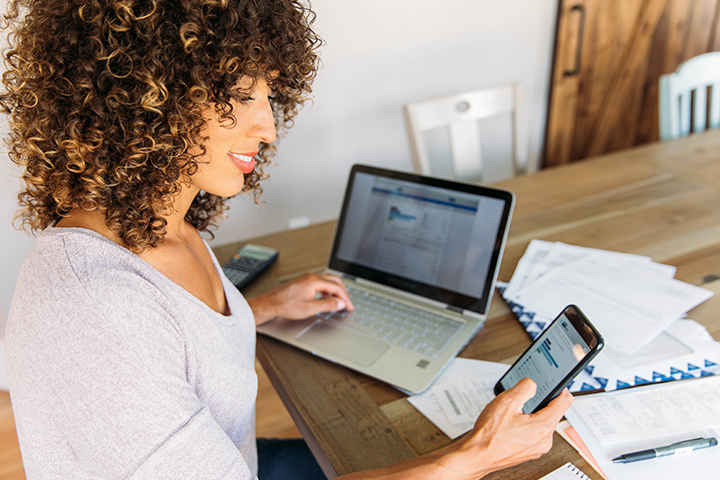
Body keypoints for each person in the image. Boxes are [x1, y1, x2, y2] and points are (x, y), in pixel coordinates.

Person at [1, 0, 573, 478]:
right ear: (147, 97)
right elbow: (132, 341)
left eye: (270, 97)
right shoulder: (96, 311)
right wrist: (477, 454)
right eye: (242, 97)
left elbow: (173, 340)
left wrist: (263, 308)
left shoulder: (161, 226)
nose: (270, 127)